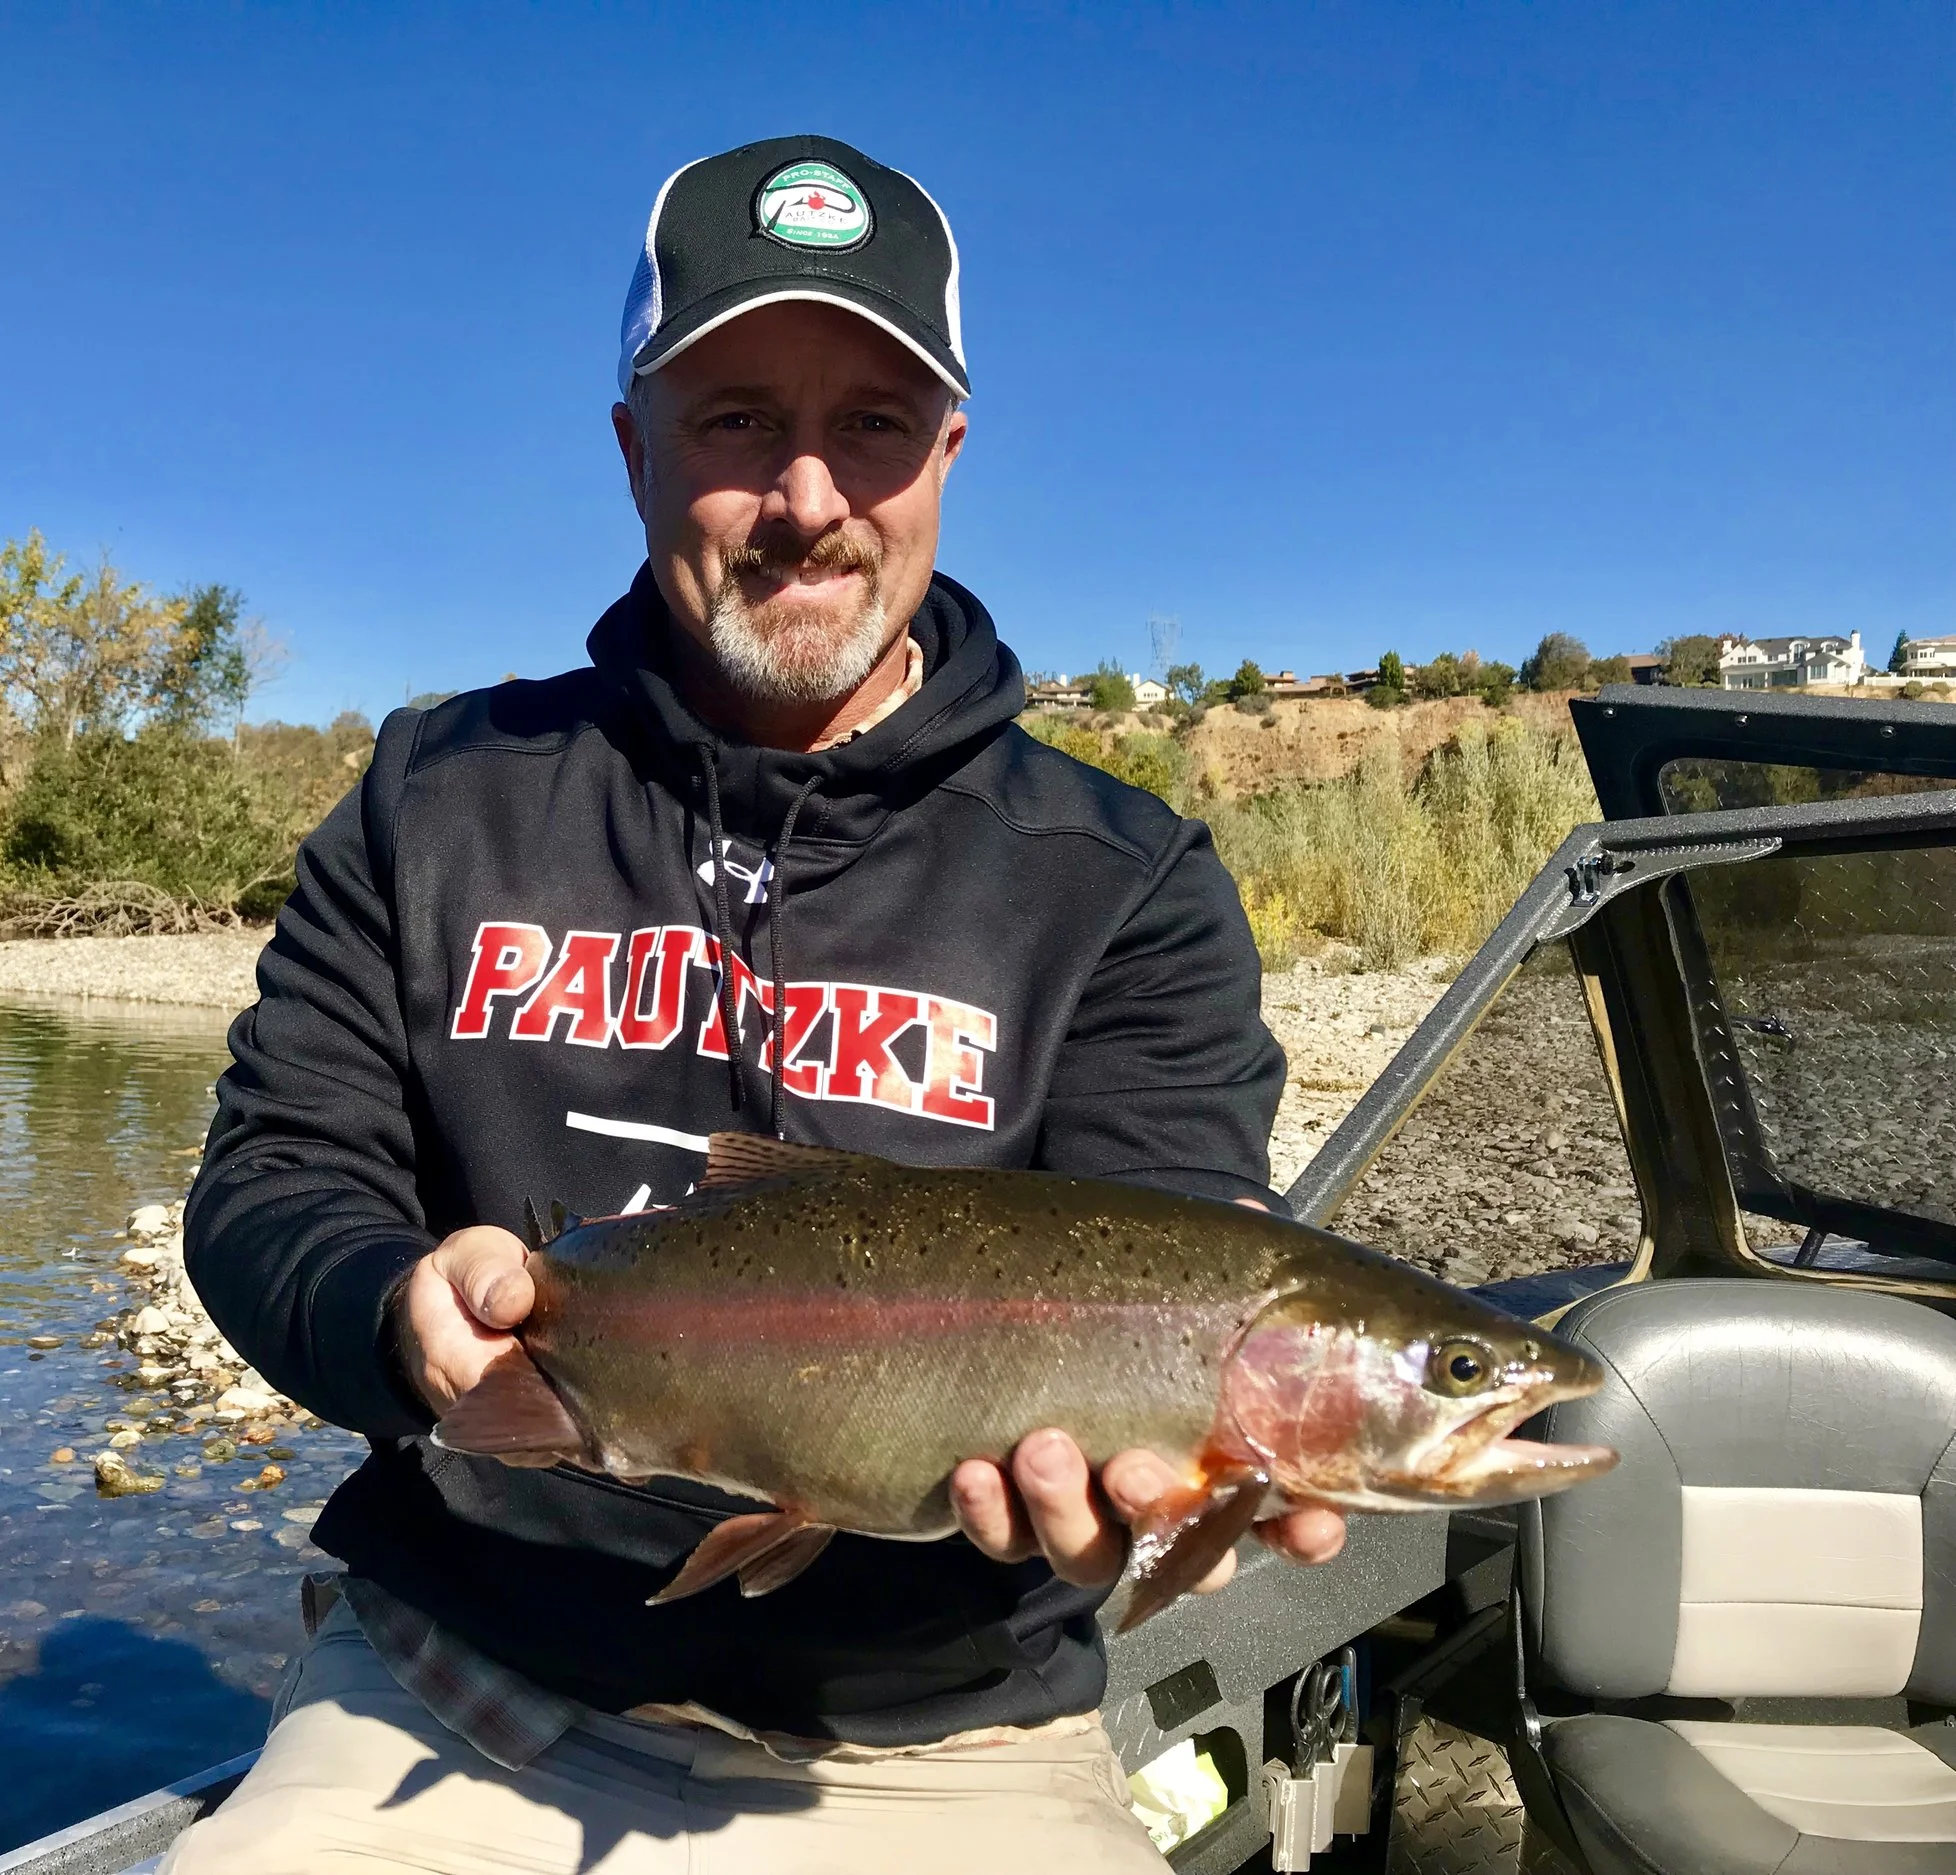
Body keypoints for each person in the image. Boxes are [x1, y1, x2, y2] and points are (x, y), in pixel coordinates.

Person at [169, 133, 1342, 1875]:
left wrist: (1157, 1490)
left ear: (948, 452)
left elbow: (1170, 1230)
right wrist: (392, 1310)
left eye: (871, 421)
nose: (808, 497)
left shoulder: (1123, 879)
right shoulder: (438, 793)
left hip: (946, 1740)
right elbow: (266, 1186)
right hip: (456, 1680)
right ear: (632, 446)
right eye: (735, 422)